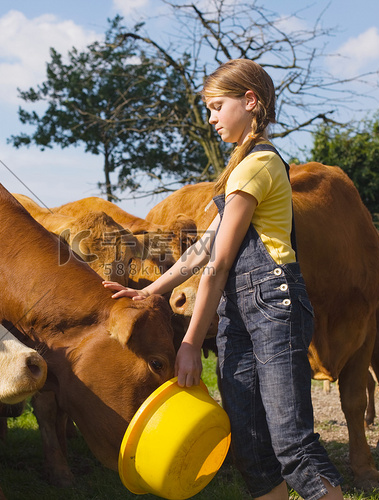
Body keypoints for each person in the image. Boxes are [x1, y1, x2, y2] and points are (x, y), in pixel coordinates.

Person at [103, 59, 344, 500]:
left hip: (274, 305)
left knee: (290, 438)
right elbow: (202, 249)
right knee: (249, 440)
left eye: (216, 106)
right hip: (240, 308)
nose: (211, 118)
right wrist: (150, 291)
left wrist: (191, 343)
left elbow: (218, 263)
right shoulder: (242, 168)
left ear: (250, 102)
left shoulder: (258, 165)